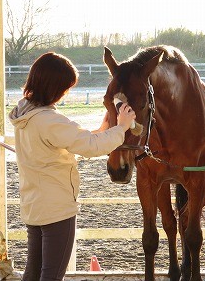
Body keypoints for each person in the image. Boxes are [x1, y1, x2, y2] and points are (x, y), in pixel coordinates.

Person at [9, 52, 136, 281]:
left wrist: (104, 130)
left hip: (33, 205)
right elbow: (91, 146)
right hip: (57, 209)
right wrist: (122, 127)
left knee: (33, 272)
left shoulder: (25, 114)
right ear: (54, 86)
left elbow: (73, 140)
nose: (65, 93)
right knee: (51, 275)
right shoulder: (49, 120)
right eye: (65, 88)